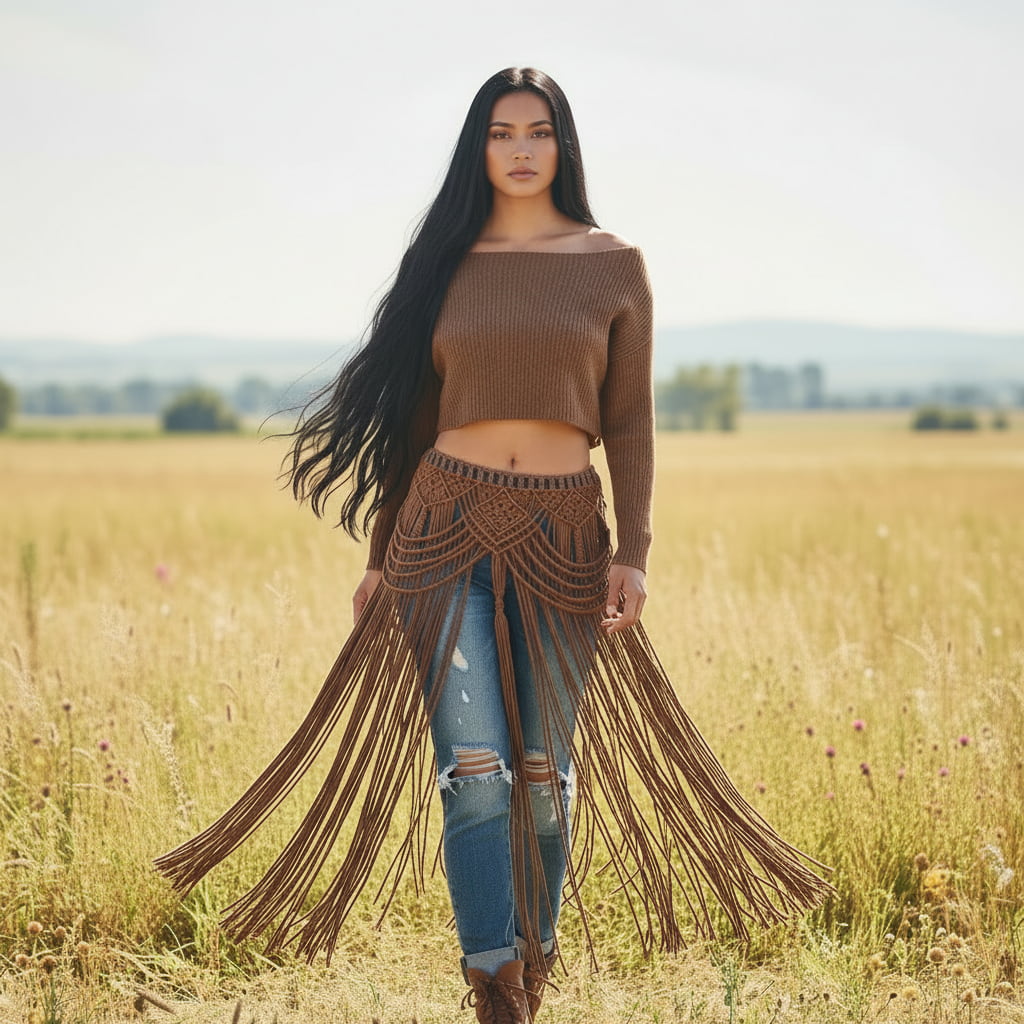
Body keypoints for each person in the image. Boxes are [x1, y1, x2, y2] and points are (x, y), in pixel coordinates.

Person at [155, 67, 833, 1023]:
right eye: (502, 132)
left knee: (545, 778)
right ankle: (495, 987)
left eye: (538, 131)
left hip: (565, 535)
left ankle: (534, 958)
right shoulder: (444, 263)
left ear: (563, 145)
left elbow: (629, 420)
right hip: (442, 531)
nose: (520, 149)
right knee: (475, 774)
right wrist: (380, 556)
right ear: (479, 148)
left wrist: (633, 551)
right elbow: (413, 419)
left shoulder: (613, 263)